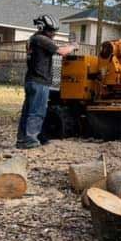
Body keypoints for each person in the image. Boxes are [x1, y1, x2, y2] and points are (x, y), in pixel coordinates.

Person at [16, 15, 76, 149]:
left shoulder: (33, 39)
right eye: (51, 31)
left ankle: (22, 139)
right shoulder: (41, 39)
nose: (53, 34)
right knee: (37, 112)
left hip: (31, 80)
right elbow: (62, 51)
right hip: (40, 82)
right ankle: (30, 139)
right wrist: (72, 46)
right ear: (43, 28)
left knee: (28, 111)